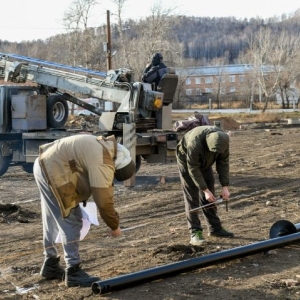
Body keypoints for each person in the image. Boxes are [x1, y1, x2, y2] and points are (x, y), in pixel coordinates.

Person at [33, 134, 135, 287]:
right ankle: (73, 271)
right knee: (71, 219)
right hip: (54, 169)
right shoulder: (103, 161)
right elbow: (104, 201)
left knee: (51, 216)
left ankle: (50, 262)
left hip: (43, 164)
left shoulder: (105, 146)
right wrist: (114, 226)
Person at [176, 125, 234, 246]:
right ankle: (195, 232)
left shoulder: (223, 141)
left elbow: (223, 164)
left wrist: (225, 187)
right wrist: (204, 190)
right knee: (192, 195)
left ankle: (215, 228)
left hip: (205, 161)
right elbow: (193, 168)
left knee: (210, 192)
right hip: (187, 161)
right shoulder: (194, 143)